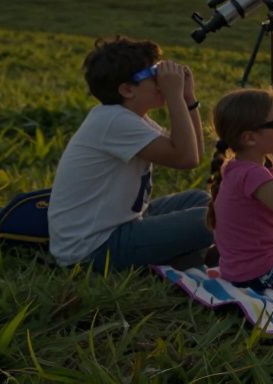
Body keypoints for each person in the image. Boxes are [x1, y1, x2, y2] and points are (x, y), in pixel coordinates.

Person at [48, 37, 212, 270]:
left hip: (123, 221)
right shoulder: (114, 121)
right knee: (211, 219)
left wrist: (188, 99)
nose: (162, 80)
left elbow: (194, 152)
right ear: (127, 89)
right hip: (94, 248)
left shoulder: (128, 117)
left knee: (200, 200)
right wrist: (174, 96)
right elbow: (186, 158)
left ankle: (184, 255)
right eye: (154, 74)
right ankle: (190, 256)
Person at [206, 89, 273, 289]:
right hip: (259, 271)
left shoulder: (240, 165)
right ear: (249, 138)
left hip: (245, 268)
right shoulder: (252, 174)